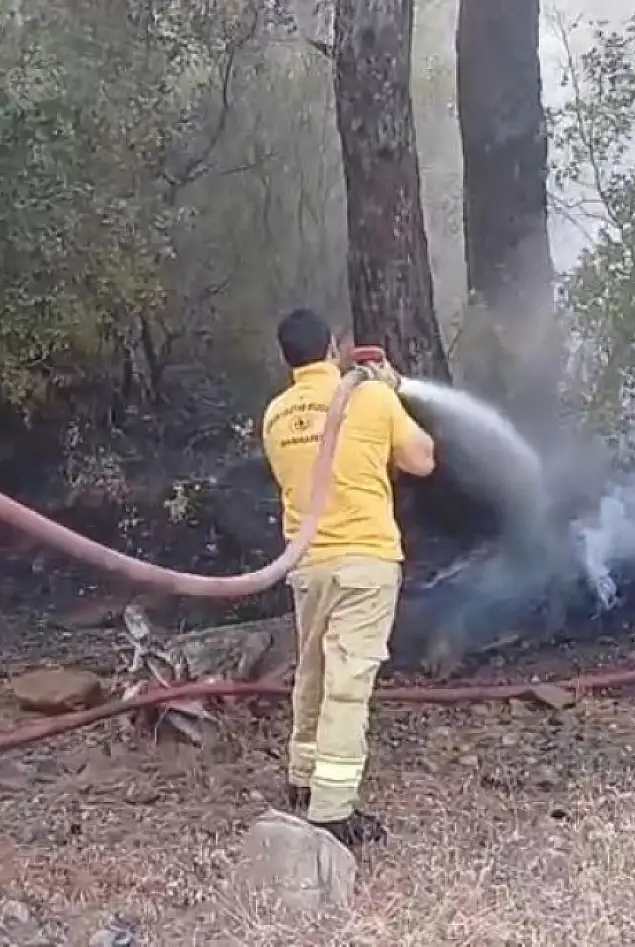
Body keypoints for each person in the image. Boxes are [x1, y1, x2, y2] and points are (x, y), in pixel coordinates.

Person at [259, 308, 437, 847]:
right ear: (335, 349)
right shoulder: (371, 397)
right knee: (347, 683)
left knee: (310, 671)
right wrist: (392, 392)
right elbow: (422, 459)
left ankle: (301, 778)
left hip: (306, 564)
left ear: (285, 357)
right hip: (364, 560)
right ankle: (332, 812)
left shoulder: (274, 415)